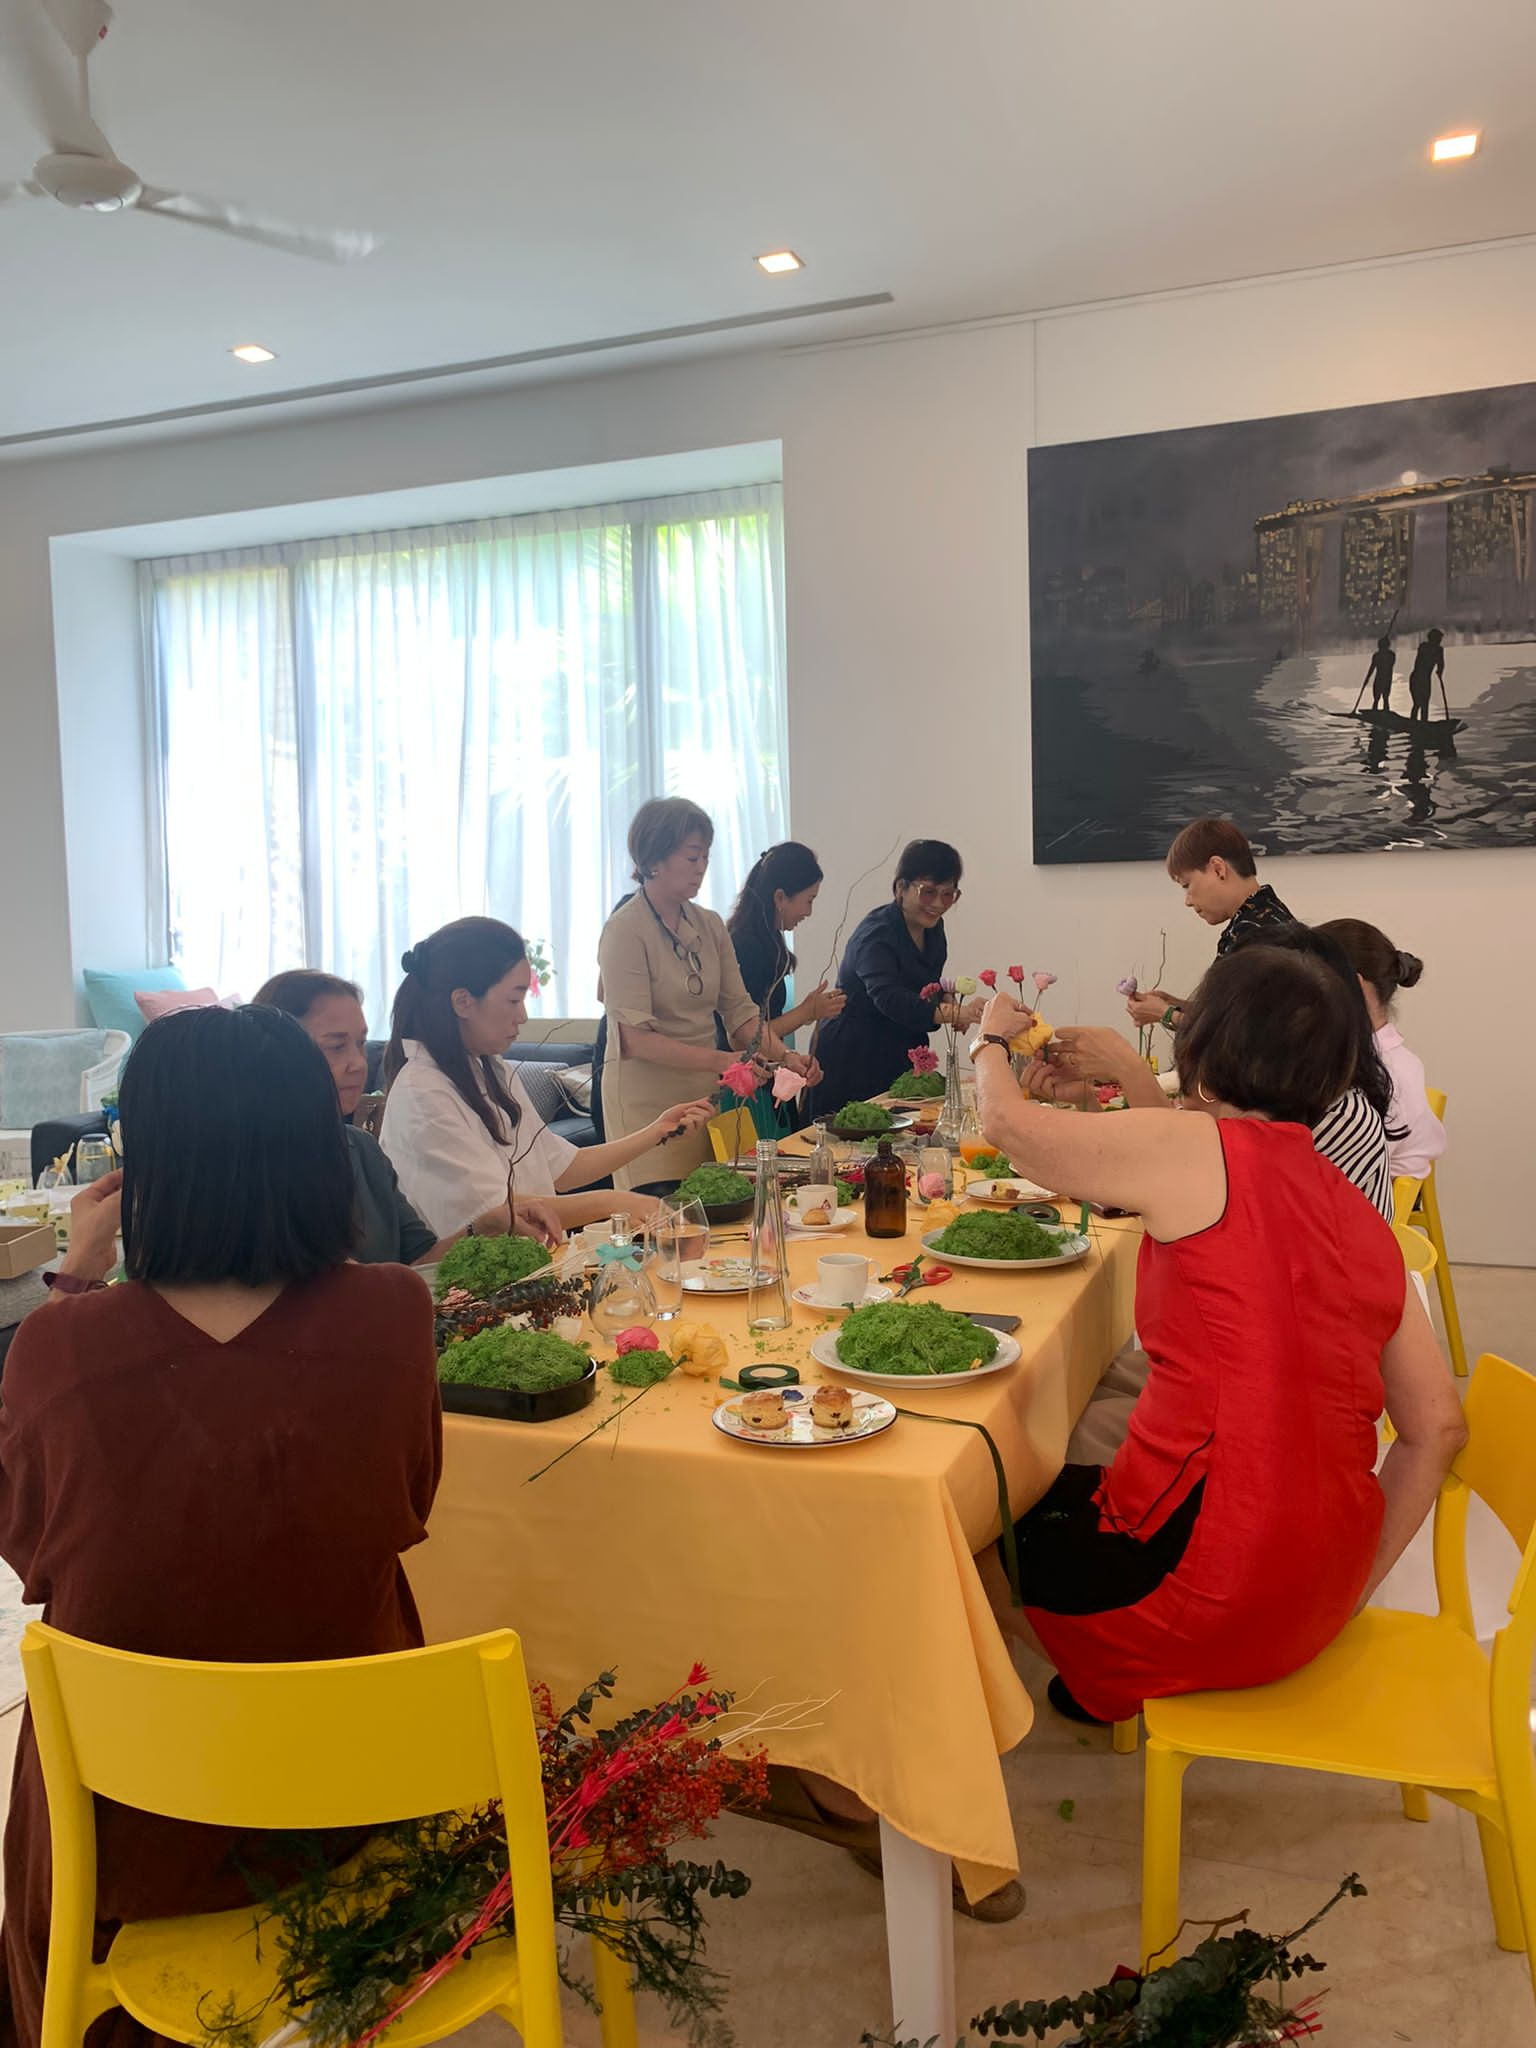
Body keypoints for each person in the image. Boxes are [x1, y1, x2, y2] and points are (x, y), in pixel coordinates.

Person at [0, 1006, 443, 2048]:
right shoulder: (392, 1314)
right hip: (353, 1791)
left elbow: (33, 1546)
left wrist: (74, 1275)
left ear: (145, 1158)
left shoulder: (60, 1344)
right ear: (318, 1146)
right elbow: (408, 1504)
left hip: (126, 1821)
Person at [969, 948, 1466, 1726]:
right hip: (1318, 1601)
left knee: (971, 1511)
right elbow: (1437, 1429)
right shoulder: (1359, 1218)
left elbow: (1006, 1125)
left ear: (1204, 1047)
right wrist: (1349, 1590)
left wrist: (989, 1040)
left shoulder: (1201, 1149)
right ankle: (1114, 1661)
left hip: (1195, 1591)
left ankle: (1112, 1669)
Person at [380, 916, 715, 1231]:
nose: (522, 1016)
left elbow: (562, 1168)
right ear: (463, 1002)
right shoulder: (423, 1091)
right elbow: (499, 1213)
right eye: (514, 1000)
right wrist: (618, 1201)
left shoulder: (489, 1067)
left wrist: (657, 1130)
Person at [1054, 924, 1397, 1219]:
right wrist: (1090, 1100)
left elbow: (1182, 1181)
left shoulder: (1333, 1117)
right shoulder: (1275, 1097)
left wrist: (1127, 1067)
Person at [253, 969, 563, 1259]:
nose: (357, 1063)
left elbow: (419, 1265)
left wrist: (485, 1227)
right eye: (336, 1047)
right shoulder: (249, 1169)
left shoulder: (363, 1150)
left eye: (360, 1044)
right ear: (278, 1052)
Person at [598, 800, 816, 1191]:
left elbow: (741, 1015)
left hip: (706, 1099)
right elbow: (634, 1040)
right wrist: (723, 1061)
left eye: (705, 856)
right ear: (654, 859)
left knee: (715, 1212)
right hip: (647, 1105)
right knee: (663, 1218)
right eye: (691, 856)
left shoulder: (709, 924)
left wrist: (786, 1057)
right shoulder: (625, 930)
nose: (701, 867)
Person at [807, 839, 984, 1120]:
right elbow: (891, 999)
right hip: (854, 1053)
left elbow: (925, 986)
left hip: (899, 1047)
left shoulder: (933, 930)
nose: (938, 904)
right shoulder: (876, 935)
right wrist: (956, 1013)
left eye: (948, 894)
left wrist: (949, 1000)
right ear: (900, 888)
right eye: (928, 892)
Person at [1125, 817, 1294, 1034]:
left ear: (1217, 869)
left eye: (1187, 885)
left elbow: (1234, 1034)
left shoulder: (1255, 937)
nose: (1187, 901)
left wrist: (1165, 1014)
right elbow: (1233, 1012)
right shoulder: (1269, 916)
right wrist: (1176, 1005)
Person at [1317, 919, 1445, 1182]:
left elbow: (1331, 1167)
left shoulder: (1381, 1075)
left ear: (1355, 987)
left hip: (1367, 1201)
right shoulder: (1400, 1061)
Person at [725, 842, 846, 1036]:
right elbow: (746, 1037)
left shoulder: (768, 937)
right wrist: (807, 1011)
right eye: (809, 900)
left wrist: (811, 1012)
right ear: (780, 897)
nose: (809, 912)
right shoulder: (745, 947)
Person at [1408, 628, 1445, 724]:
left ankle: (1424, 723)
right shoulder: (1424, 647)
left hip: (1425, 680)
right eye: (1438, 639)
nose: (1440, 641)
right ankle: (1413, 724)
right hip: (1416, 678)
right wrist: (1439, 669)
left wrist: (1440, 671)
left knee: (1424, 705)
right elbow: (1421, 661)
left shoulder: (1439, 650)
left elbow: (1441, 664)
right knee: (1417, 704)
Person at [1363, 635, 1396, 710]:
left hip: (1385, 679)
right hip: (1380, 679)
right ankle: (1375, 712)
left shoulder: (1390, 655)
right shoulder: (1378, 655)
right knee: (1377, 698)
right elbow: (1372, 668)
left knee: (1385, 698)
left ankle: (1385, 713)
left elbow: (1390, 664)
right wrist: (1367, 679)